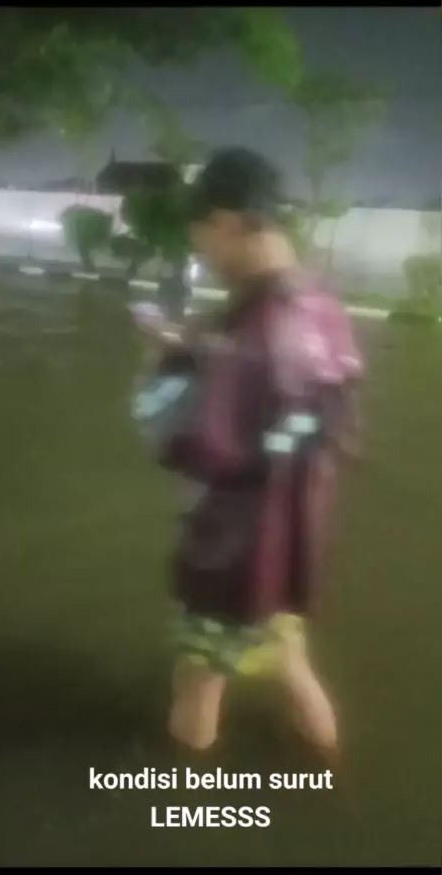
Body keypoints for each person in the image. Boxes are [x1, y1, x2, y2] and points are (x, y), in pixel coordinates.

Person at [133, 148, 363, 759]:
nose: (206, 255)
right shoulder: (319, 304)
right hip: (293, 539)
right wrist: (201, 349)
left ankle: (184, 793)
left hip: (235, 554)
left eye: (204, 237)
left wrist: (163, 366)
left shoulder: (255, 328)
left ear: (228, 221)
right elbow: (312, 416)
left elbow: (190, 443)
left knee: (197, 682)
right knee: (289, 661)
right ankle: (330, 773)